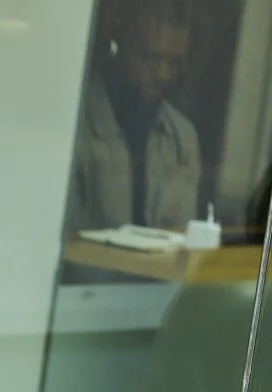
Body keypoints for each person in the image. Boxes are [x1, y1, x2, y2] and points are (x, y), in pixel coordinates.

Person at [68, 0, 202, 233]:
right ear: (116, 48)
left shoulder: (182, 138)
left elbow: (179, 240)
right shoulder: (74, 119)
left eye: (174, 63)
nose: (163, 74)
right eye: (150, 58)